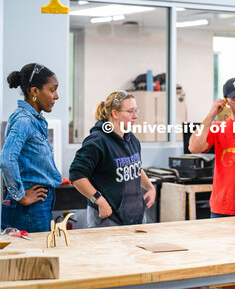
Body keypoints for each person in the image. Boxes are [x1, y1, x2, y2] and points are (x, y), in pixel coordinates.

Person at [69, 90, 156, 227]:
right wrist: (99, 200)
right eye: (130, 111)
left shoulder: (132, 139)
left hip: (135, 216)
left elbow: (135, 167)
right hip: (108, 218)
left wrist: (150, 188)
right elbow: (76, 175)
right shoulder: (97, 141)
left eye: (136, 111)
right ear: (115, 113)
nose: (135, 116)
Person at [1, 63, 61, 233]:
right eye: (52, 90)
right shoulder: (24, 120)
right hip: (29, 209)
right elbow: (6, 158)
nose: (56, 96)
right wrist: (20, 195)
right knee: (36, 257)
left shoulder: (35, 120)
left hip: (39, 204)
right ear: (35, 92)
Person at [189, 78, 235, 217]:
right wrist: (211, 115)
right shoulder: (219, 128)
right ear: (227, 102)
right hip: (223, 206)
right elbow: (194, 147)